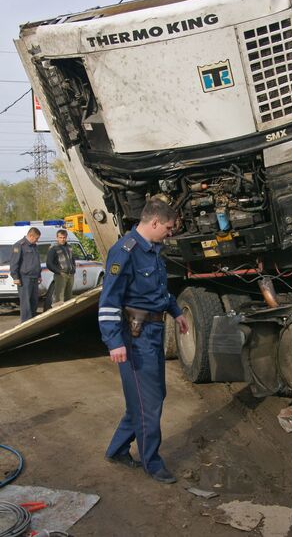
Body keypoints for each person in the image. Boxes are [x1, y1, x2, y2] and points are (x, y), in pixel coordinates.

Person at [98, 196, 188, 484]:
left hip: (153, 334)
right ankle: (152, 461)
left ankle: (117, 450)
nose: (170, 232)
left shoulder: (153, 250)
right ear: (154, 222)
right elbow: (109, 301)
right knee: (149, 404)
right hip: (134, 338)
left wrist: (176, 312)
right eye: (169, 227)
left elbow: (158, 291)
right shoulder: (125, 251)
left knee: (149, 398)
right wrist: (114, 341)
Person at [10, 227, 42, 322]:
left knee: (34, 301)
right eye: (36, 238)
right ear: (31, 236)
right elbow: (14, 263)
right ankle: (25, 323)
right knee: (26, 303)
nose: (37, 240)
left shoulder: (34, 246)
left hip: (34, 277)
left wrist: (39, 275)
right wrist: (15, 277)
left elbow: (37, 262)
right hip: (24, 278)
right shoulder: (19, 245)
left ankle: (32, 321)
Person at [46, 229, 76, 305]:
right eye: (60, 237)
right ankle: (59, 314)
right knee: (59, 298)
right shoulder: (53, 249)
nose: (62, 239)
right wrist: (58, 272)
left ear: (66, 237)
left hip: (70, 274)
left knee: (69, 297)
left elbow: (72, 259)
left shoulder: (69, 247)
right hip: (60, 275)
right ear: (57, 237)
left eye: (64, 237)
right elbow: (49, 264)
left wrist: (74, 268)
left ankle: (68, 314)